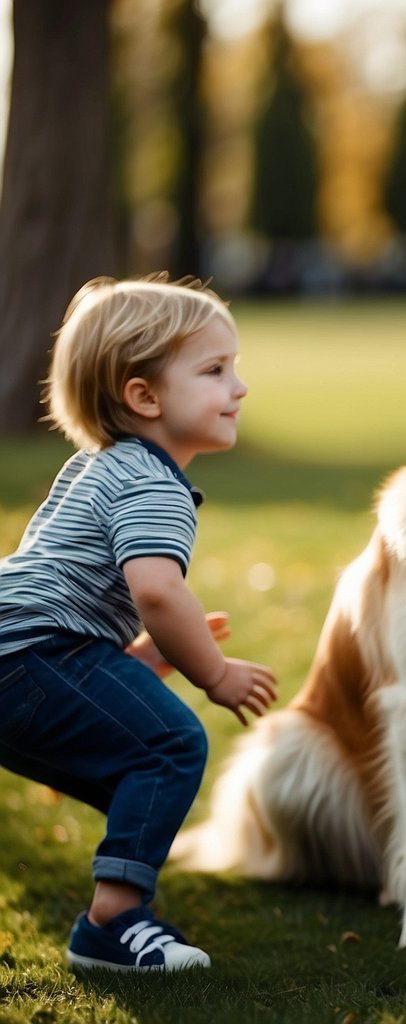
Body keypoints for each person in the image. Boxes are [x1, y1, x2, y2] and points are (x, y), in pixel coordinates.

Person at [0, 274, 278, 972]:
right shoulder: (154, 483)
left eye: (234, 367)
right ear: (144, 396)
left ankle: (120, 903)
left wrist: (141, 660)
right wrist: (211, 675)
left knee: (134, 760)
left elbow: (69, 587)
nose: (238, 387)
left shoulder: (95, 468)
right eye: (215, 370)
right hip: (32, 656)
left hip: (22, 648)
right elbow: (156, 591)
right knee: (169, 748)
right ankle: (111, 923)